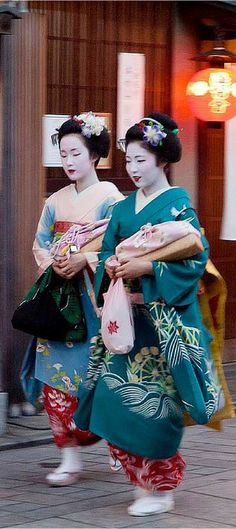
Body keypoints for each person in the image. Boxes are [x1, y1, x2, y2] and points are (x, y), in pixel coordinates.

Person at [74, 112, 224, 516]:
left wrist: (149, 268)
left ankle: (160, 488)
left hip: (162, 325)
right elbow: (108, 248)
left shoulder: (178, 205)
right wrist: (109, 266)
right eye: (129, 160)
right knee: (110, 399)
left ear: (162, 161)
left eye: (142, 160)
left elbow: (195, 258)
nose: (134, 168)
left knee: (157, 407)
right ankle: (140, 480)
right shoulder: (123, 208)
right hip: (128, 322)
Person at [32, 112, 123, 486]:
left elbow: (119, 250)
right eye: (63, 153)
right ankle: (68, 455)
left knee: (102, 376)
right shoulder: (54, 201)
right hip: (60, 301)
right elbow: (39, 246)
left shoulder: (112, 199)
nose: (68, 161)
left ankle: (118, 442)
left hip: (94, 302)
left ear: (94, 155)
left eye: (75, 153)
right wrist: (54, 264)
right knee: (56, 379)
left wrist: (86, 258)